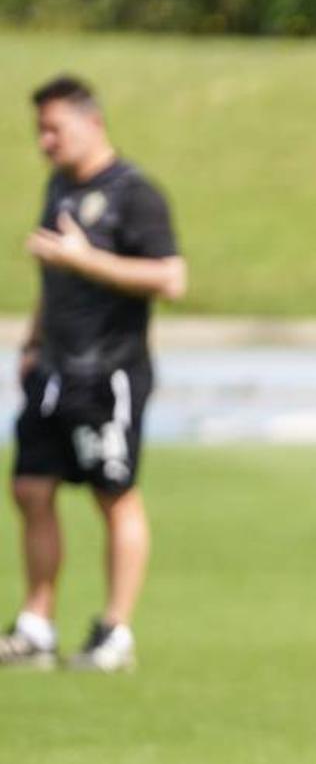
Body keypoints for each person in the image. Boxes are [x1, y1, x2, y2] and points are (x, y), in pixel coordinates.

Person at [0, 75, 187, 672]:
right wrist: (32, 343)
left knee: (114, 495)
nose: (45, 143)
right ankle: (36, 626)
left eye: (54, 129)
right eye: (40, 131)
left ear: (92, 123)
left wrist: (89, 260)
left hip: (108, 372)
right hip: (52, 369)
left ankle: (114, 632)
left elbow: (171, 279)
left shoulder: (136, 194)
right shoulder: (59, 187)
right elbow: (54, 277)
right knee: (29, 489)